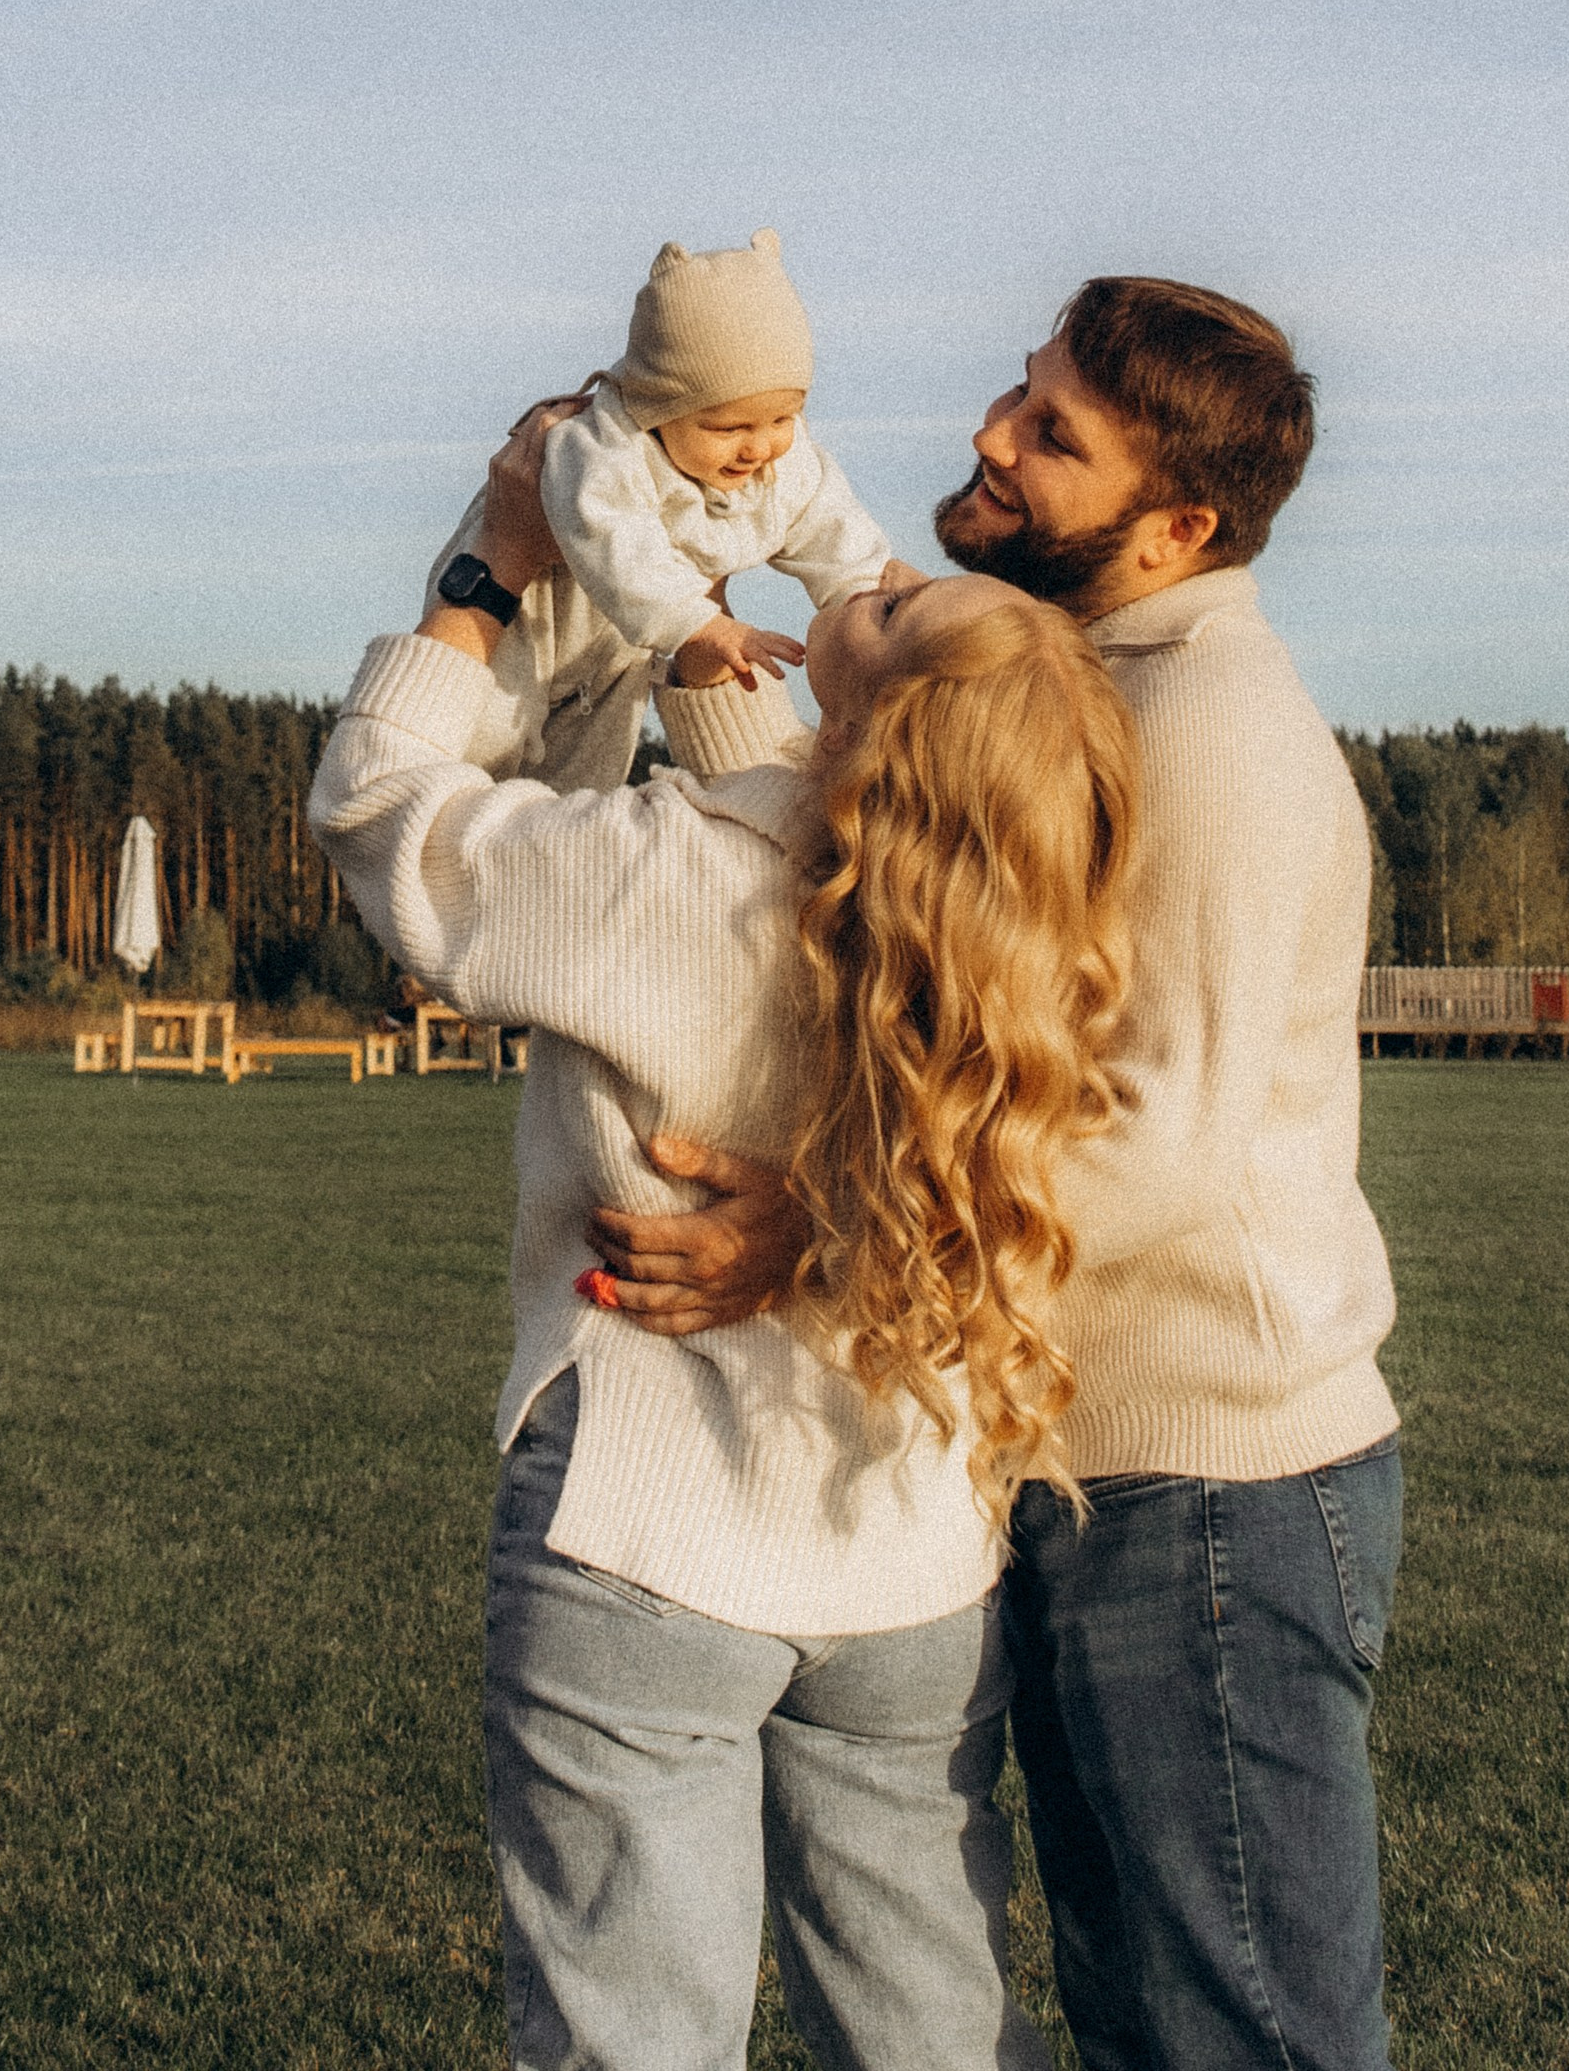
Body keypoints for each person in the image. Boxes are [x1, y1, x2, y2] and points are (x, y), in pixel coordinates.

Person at [587, 278, 1403, 2071]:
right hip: (1090, 1462)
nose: (991, 439)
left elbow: (1152, 1139)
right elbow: (878, 846)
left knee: (1239, 2026)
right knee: (1144, 2020)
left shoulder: (1215, 734)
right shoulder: (1091, 682)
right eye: (1015, 397)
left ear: (1178, 522)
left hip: (1208, 1483)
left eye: (1054, 434)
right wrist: (691, 636)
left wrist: (816, 1220)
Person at [311, 413, 1136, 2071]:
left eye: (899, 615)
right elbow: (788, 789)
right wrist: (674, 584)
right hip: (908, 1568)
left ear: (877, 736)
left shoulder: (669, 875)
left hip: (646, 1542)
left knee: (636, 2034)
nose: (879, 576)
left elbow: (384, 819)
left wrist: (490, 565)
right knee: (930, 2032)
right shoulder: (1016, 944)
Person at [429, 229, 892, 791]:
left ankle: (558, 852)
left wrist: (860, 592)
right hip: (529, 613)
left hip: (621, 643)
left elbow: (829, 523)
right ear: (656, 405)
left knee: (588, 773)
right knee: (483, 742)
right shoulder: (605, 446)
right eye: (727, 428)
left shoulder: (782, 462)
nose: (758, 447)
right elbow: (612, 540)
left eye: (780, 420)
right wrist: (701, 622)